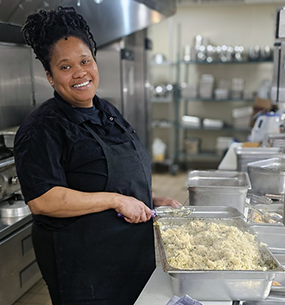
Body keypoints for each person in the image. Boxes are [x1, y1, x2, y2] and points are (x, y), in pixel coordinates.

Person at [14, 6, 181, 305]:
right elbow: (43, 200)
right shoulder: (42, 128)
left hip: (129, 257)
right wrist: (117, 200)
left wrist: (150, 200)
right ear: (50, 77)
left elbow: (106, 180)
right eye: (65, 67)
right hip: (85, 267)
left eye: (85, 60)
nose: (79, 72)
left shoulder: (107, 111)